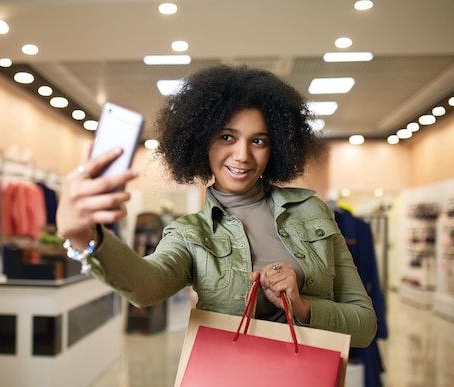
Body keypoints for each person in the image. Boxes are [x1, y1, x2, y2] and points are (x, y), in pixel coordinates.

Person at [56, 65, 377, 348]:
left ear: (276, 147)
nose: (242, 155)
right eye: (227, 137)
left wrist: (302, 305)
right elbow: (146, 286)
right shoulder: (190, 233)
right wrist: (86, 237)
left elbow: (364, 325)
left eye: (259, 140)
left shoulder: (310, 209)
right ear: (202, 141)